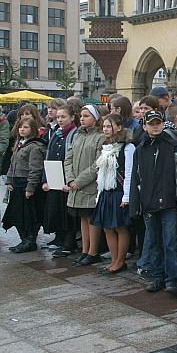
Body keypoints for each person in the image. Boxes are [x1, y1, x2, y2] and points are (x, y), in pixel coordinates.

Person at [131, 110, 177, 294]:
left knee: (170, 241)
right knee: (153, 241)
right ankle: (157, 276)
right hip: (148, 202)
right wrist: (134, 203)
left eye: (158, 123)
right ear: (144, 126)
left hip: (169, 200)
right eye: (151, 123)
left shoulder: (173, 145)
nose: (155, 126)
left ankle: (173, 279)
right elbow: (135, 178)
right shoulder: (140, 148)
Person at [91, 114, 135, 274]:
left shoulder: (127, 147)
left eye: (108, 126)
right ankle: (113, 260)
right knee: (107, 228)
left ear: (118, 127)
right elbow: (101, 172)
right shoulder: (106, 145)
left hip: (119, 191)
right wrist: (99, 192)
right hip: (106, 191)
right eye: (104, 126)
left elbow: (129, 172)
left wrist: (126, 196)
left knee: (120, 227)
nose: (105, 129)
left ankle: (120, 261)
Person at [65, 105, 106, 266]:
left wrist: (79, 181)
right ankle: (85, 250)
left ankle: (93, 251)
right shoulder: (78, 135)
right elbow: (68, 159)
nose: (82, 119)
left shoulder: (100, 137)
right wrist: (70, 179)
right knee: (82, 217)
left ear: (95, 118)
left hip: (89, 186)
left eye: (86, 116)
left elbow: (97, 164)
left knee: (91, 218)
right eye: (81, 116)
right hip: (76, 185)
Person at [2, 117, 46, 253]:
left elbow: (35, 169)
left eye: (26, 127)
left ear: (32, 129)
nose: (22, 129)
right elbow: (12, 164)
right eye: (21, 127)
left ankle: (30, 240)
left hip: (26, 184)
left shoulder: (35, 146)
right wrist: (9, 180)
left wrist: (30, 188)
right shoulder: (19, 144)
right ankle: (24, 239)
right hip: (17, 183)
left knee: (29, 216)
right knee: (16, 215)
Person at [42, 103, 79, 257]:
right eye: (58, 117)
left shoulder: (74, 134)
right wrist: (46, 179)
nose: (60, 120)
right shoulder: (56, 133)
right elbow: (48, 156)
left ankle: (69, 242)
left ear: (71, 117)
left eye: (63, 117)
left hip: (67, 178)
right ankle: (59, 238)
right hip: (55, 177)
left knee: (68, 213)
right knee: (56, 209)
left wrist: (70, 180)